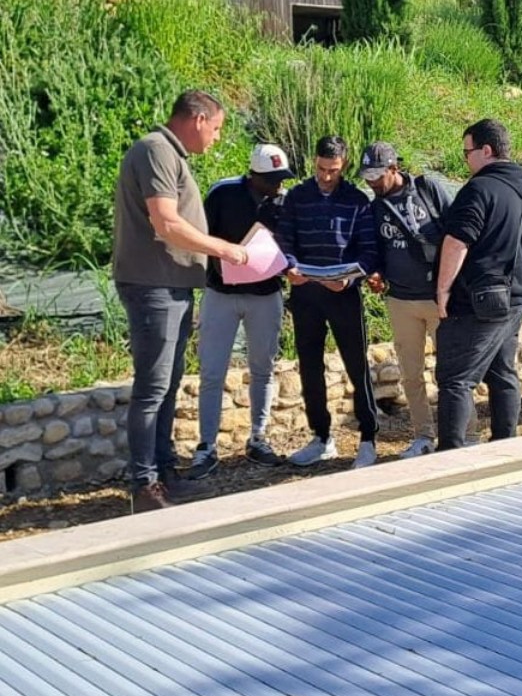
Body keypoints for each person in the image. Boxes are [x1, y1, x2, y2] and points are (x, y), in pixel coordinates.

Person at [112, 90, 249, 512]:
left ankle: (164, 473)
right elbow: (166, 222)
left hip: (170, 284)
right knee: (153, 388)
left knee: (167, 386)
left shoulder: (169, 154)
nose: (217, 138)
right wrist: (222, 249)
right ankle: (144, 485)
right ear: (199, 119)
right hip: (152, 285)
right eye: (218, 128)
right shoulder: (156, 151)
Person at [188, 144, 294, 480]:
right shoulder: (222, 194)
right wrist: (217, 266)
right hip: (221, 294)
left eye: (281, 178)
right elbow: (200, 237)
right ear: (254, 176)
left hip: (266, 295)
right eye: (272, 179)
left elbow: (290, 244)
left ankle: (258, 438)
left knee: (263, 367)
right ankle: (206, 445)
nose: (278, 185)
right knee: (212, 371)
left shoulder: (284, 201)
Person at [276, 135, 381, 468]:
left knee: (356, 364)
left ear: (344, 165)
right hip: (305, 292)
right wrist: (289, 265)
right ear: (314, 162)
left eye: (332, 170)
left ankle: (367, 439)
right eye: (321, 169)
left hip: (344, 294)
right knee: (309, 366)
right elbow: (285, 240)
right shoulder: (297, 196)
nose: (325, 176)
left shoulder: (357, 201)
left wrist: (350, 278)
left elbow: (369, 251)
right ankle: (321, 437)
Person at [434, 119, 522, 450]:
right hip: (515, 296)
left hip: (478, 301)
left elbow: (456, 242)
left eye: (467, 152)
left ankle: (451, 455)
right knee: (502, 373)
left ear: (486, 150)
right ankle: (506, 445)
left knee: (456, 380)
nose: (465, 160)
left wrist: (443, 290)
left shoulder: (479, 189)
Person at [359, 141, 453, 458]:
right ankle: (423, 436)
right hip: (400, 300)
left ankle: (463, 434)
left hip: (439, 297)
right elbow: (375, 251)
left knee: (451, 373)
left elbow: (456, 234)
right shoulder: (374, 207)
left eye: (376, 175)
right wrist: (375, 273)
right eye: (366, 176)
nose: (371, 182)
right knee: (411, 375)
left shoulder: (428, 190)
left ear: (393, 169)